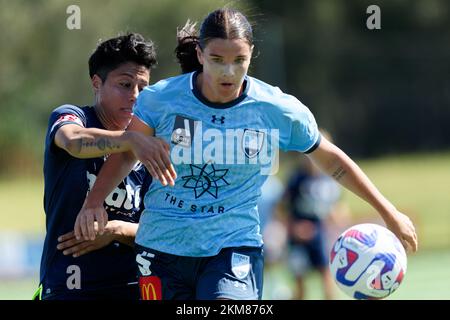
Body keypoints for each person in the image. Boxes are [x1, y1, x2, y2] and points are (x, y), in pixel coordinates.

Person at [74, 8, 418, 300]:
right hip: (161, 250)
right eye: (217, 60)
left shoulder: (277, 110)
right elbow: (125, 155)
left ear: (252, 54)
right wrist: (94, 202)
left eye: (239, 60)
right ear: (200, 55)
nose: (228, 72)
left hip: (233, 248)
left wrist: (388, 212)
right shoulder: (161, 100)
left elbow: (333, 162)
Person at [37, 33, 158, 300]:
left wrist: (115, 231)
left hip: (134, 288)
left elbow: (161, 229)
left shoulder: (151, 142)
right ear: (96, 82)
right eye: (125, 84)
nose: (135, 96)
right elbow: (74, 142)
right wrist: (130, 140)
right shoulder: (74, 117)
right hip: (68, 286)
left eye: (143, 86)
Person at [283, 131, 350, 300]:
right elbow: (281, 209)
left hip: (318, 232)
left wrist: (340, 222)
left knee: (326, 274)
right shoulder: (297, 179)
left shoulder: (331, 179)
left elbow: (336, 207)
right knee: (300, 284)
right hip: (297, 236)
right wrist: (294, 228)